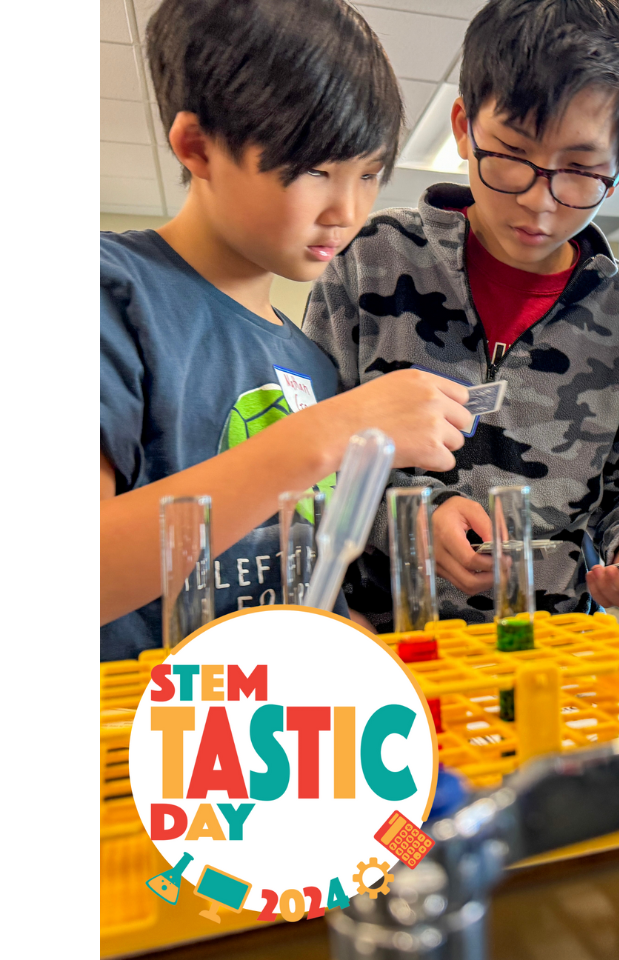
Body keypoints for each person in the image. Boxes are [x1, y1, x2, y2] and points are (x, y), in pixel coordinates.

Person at [100, 0, 475, 660]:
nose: (347, 210)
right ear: (198, 147)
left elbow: (305, 583)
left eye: (369, 174)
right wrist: (330, 432)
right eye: (315, 170)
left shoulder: (311, 363)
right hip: (147, 718)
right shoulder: (112, 295)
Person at [304, 0, 619, 628]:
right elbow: (309, 455)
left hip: (551, 649)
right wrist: (412, 519)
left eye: (581, 170)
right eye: (511, 154)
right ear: (464, 127)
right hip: (382, 644)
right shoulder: (370, 261)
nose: (539, 202)